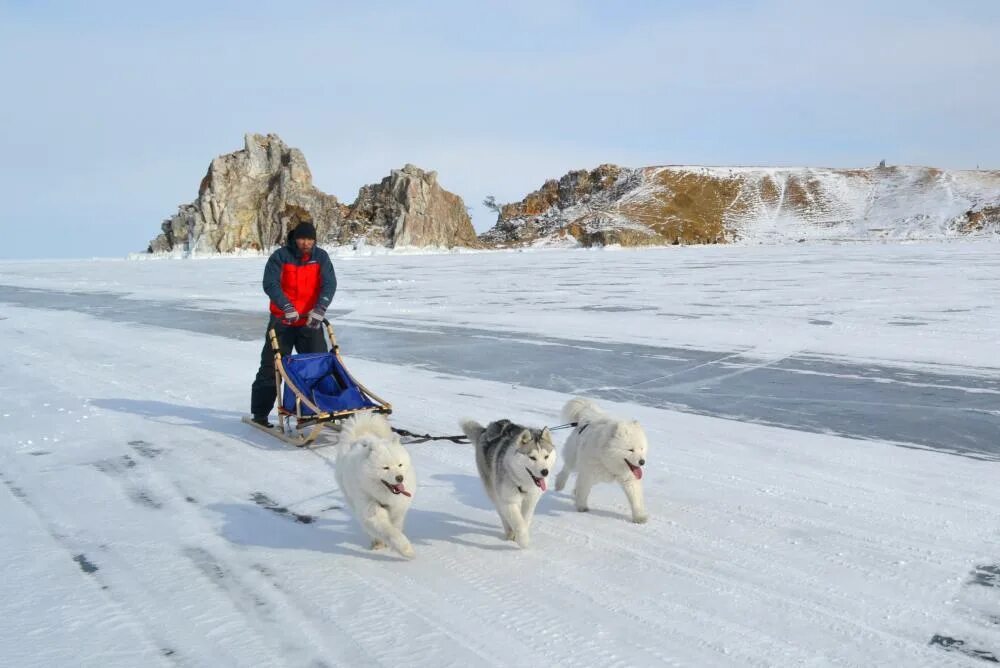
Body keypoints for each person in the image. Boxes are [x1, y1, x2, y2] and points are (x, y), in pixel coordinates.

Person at [249, 221, 337, 427]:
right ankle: (260, 414)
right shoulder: (280, 257)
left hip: (310, 322)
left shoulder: (321, 257)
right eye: (302, 238)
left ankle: (323, 408)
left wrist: (320, 308)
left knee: (319, 366)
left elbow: (329, 284)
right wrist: (286, 306)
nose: (306, 243)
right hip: (282, 323)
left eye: (310, 239)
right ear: (294, 238)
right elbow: (270, 284)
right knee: (271, 368)